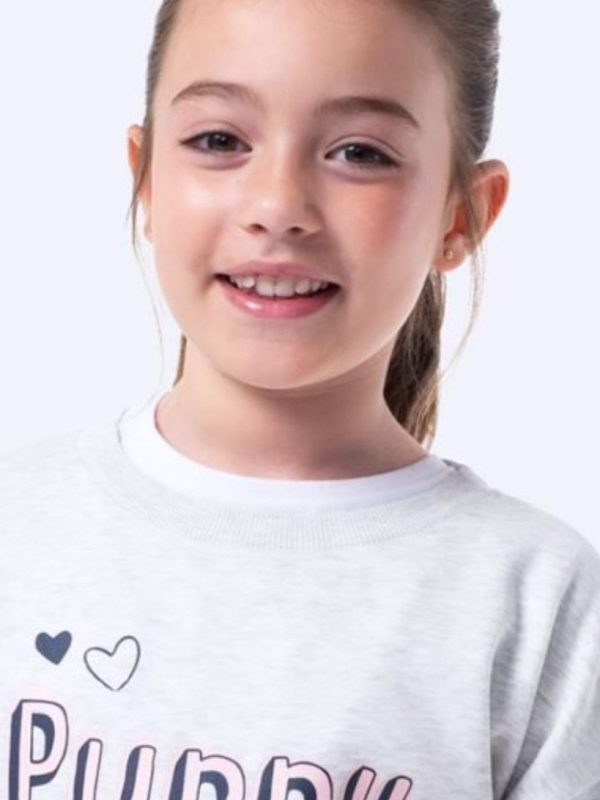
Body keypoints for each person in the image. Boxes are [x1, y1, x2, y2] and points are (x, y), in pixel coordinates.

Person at [1, 0, 598, 798]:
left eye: (359, 152)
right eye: (220, 141)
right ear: (146, 179)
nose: (277, 207)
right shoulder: (17, 524)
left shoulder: (535, 599)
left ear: (461, 217)